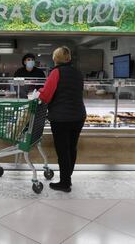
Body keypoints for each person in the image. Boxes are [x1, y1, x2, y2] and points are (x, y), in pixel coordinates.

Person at [35, 46, 86, 192]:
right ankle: (67, 177)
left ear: (55, 58)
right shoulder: (77, 72)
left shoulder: (56, 72)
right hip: (78, 116)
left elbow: (46, 96)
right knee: (71, 148)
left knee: (63, 150)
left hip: (61, 118)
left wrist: (39, 91)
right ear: (68, 58)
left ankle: (65, 183)